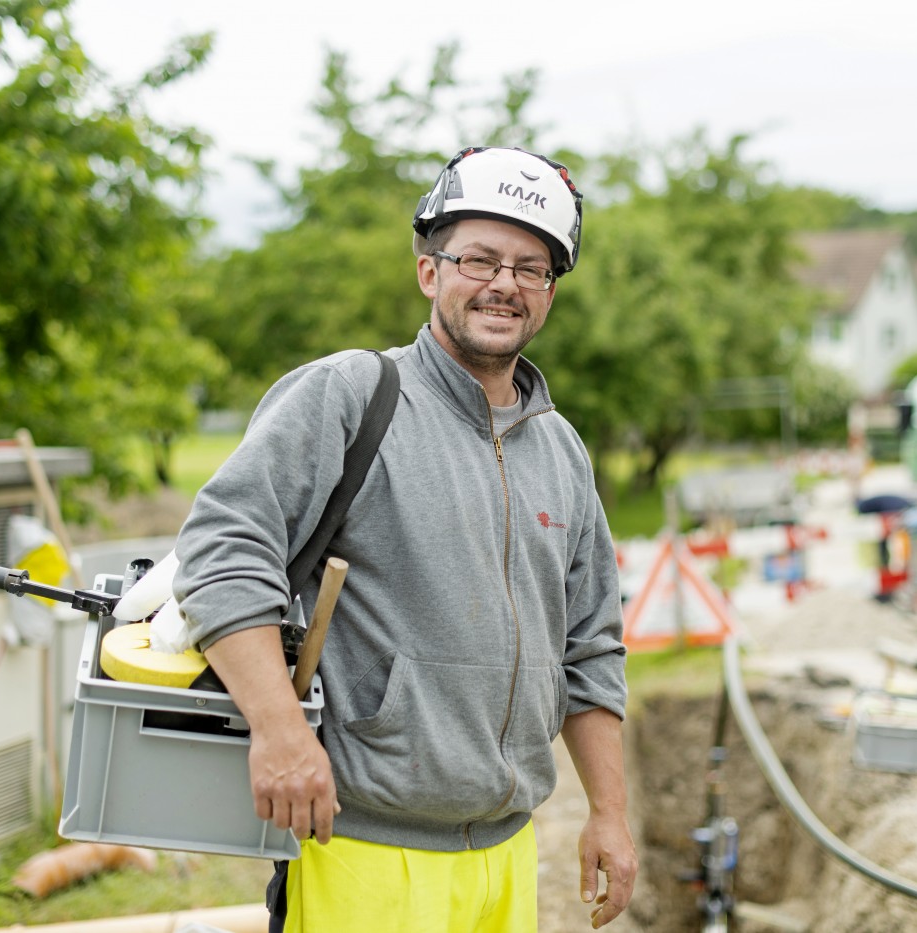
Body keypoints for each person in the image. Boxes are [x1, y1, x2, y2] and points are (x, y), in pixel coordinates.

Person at [171, 145, 636, 931]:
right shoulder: (351, 396)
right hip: (360, 846)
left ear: (550, 292)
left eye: (530, 268)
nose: (504, 284)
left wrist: (611, 813)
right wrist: (279, 730)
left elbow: (590, 648)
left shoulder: (561, 450)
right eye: (479, 259)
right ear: (429, 271)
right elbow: (223, 549)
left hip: (505, 852)